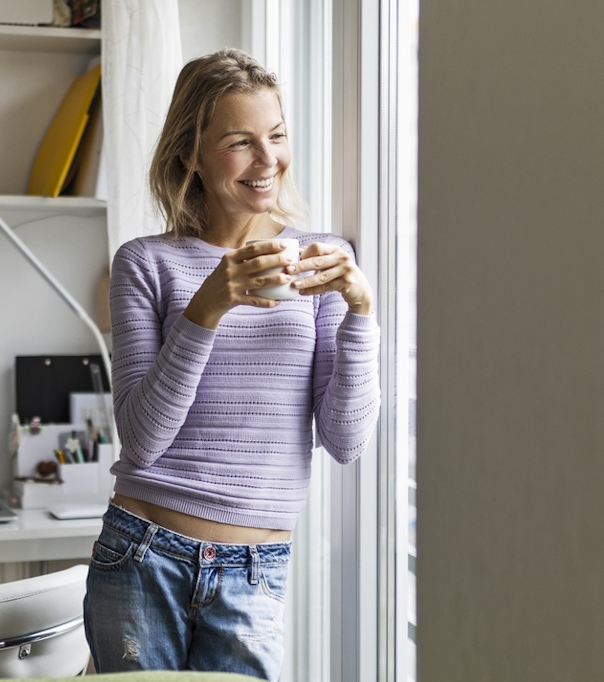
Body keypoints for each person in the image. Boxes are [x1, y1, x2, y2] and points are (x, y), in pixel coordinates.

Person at [82, 48, 381, 680]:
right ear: (191, 152)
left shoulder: (321, 260)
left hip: (255, 570)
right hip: (142, 555)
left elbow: (346, 441)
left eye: (276, 136)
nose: (268, 160)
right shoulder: (145, 263)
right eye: (241, 142)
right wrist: (206, 310)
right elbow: (140, 443)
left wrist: (359, 312)